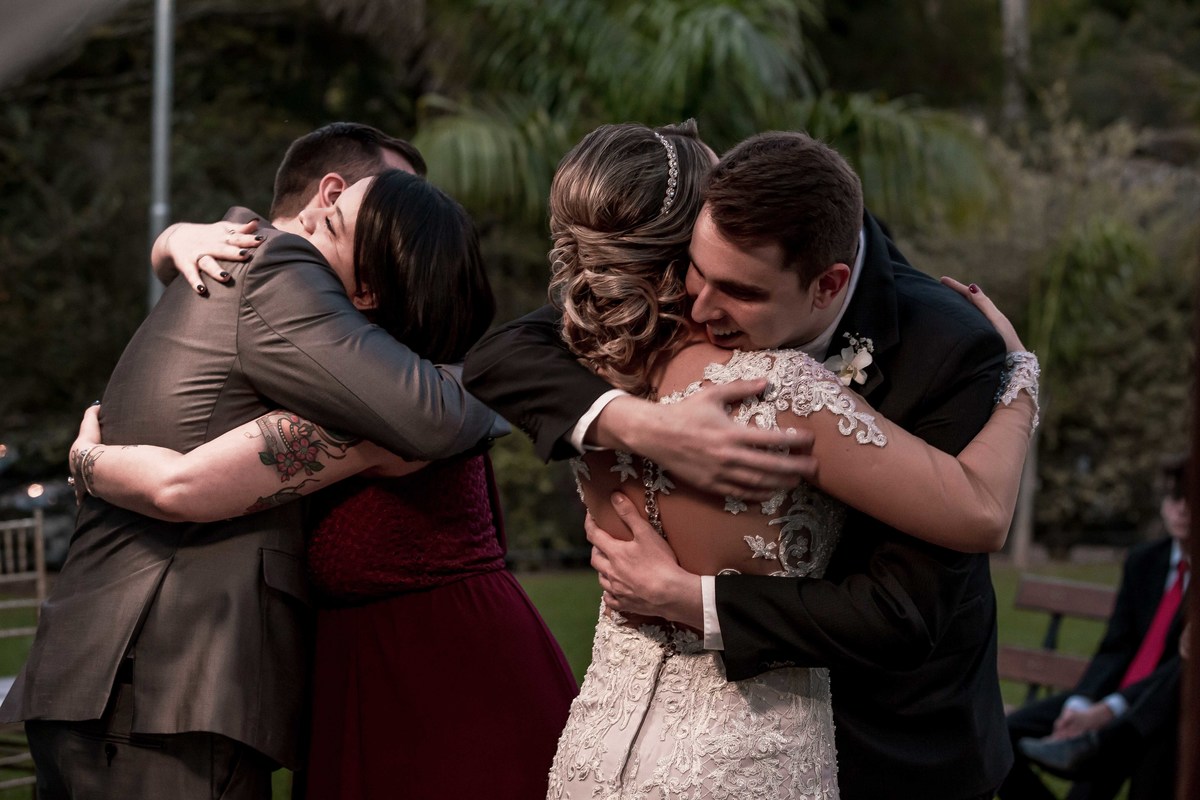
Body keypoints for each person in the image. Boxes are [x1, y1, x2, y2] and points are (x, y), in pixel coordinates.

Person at [464, 123, 1034, 798]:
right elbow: (503, 355)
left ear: (827, 285)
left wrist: (688, 599)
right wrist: (652, 427)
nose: (702, 308)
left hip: (892, 742)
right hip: (644, 739)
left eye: (741, 292)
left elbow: (906, 608)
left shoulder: (944, 346)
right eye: (695, 271)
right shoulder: (665, 305)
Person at [0, 123, 499, 799]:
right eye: (389, 197)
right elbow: (429, 415)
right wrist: (513, 382)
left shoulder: (231, 255)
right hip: (167, 681)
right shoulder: (281, 266)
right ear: (332, 192)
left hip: (105, 675)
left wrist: (169, 240)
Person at [1002, 455, 1190, 800]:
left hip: (1161, 714)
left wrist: (1109, 711)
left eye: (1192, 499)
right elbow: (1115, 646)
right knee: (1000, 736)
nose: (1182, 509)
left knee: (1150, 750)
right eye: (1175, 497)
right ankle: (1094, 738)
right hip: (1109, 700)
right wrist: (1081, 703)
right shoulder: (1145, 561)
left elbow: (1178, 672)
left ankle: (1100, 742)